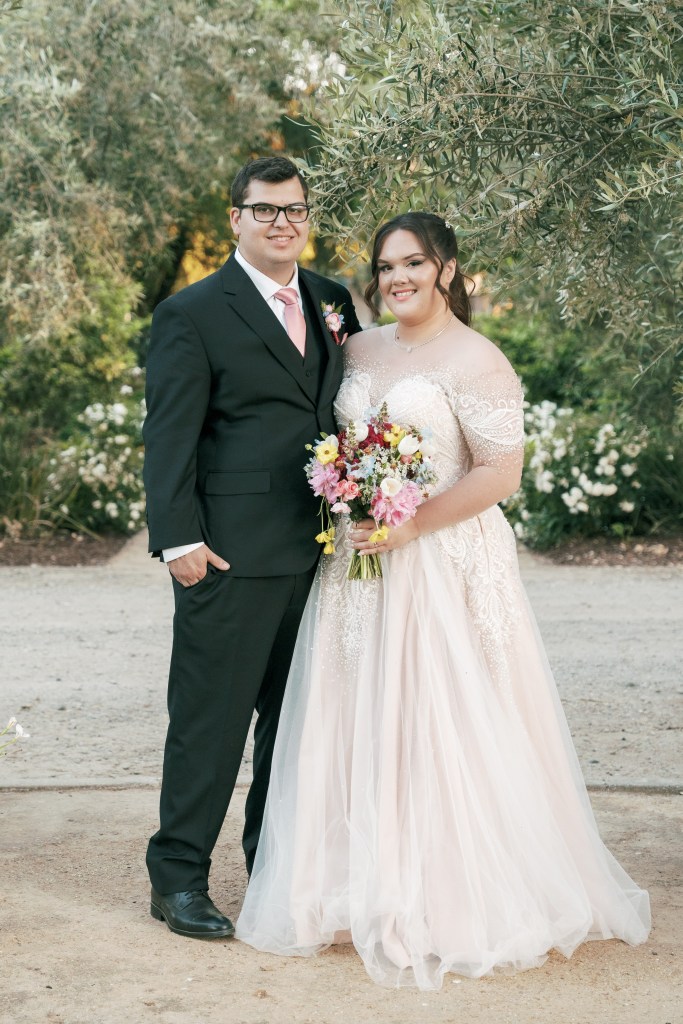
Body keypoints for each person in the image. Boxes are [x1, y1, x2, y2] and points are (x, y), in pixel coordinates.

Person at [235, 212, 651, 988]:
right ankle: (346, 887)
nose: (398, 278)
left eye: (414, 264)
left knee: (440, 715)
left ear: (447, 270)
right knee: (355, 709)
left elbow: (499, 473)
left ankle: (445, 894)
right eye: (387, 266)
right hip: (360, 564)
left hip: (440, 562)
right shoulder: (356, 348)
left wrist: (411, 525)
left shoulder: (479, 360)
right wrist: (353, 502)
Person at [142, 156, 361, 939]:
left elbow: (342, 409)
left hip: (322, 555)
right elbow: (168, 435)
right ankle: (177, 880)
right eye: (265, 210)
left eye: (294, 210)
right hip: (227, 556)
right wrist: (178, 541)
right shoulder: (192, 312)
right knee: (210, 721)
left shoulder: (332, 300)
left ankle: (274, 868)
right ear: (234, 217)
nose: (281, 223)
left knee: (295, 726)